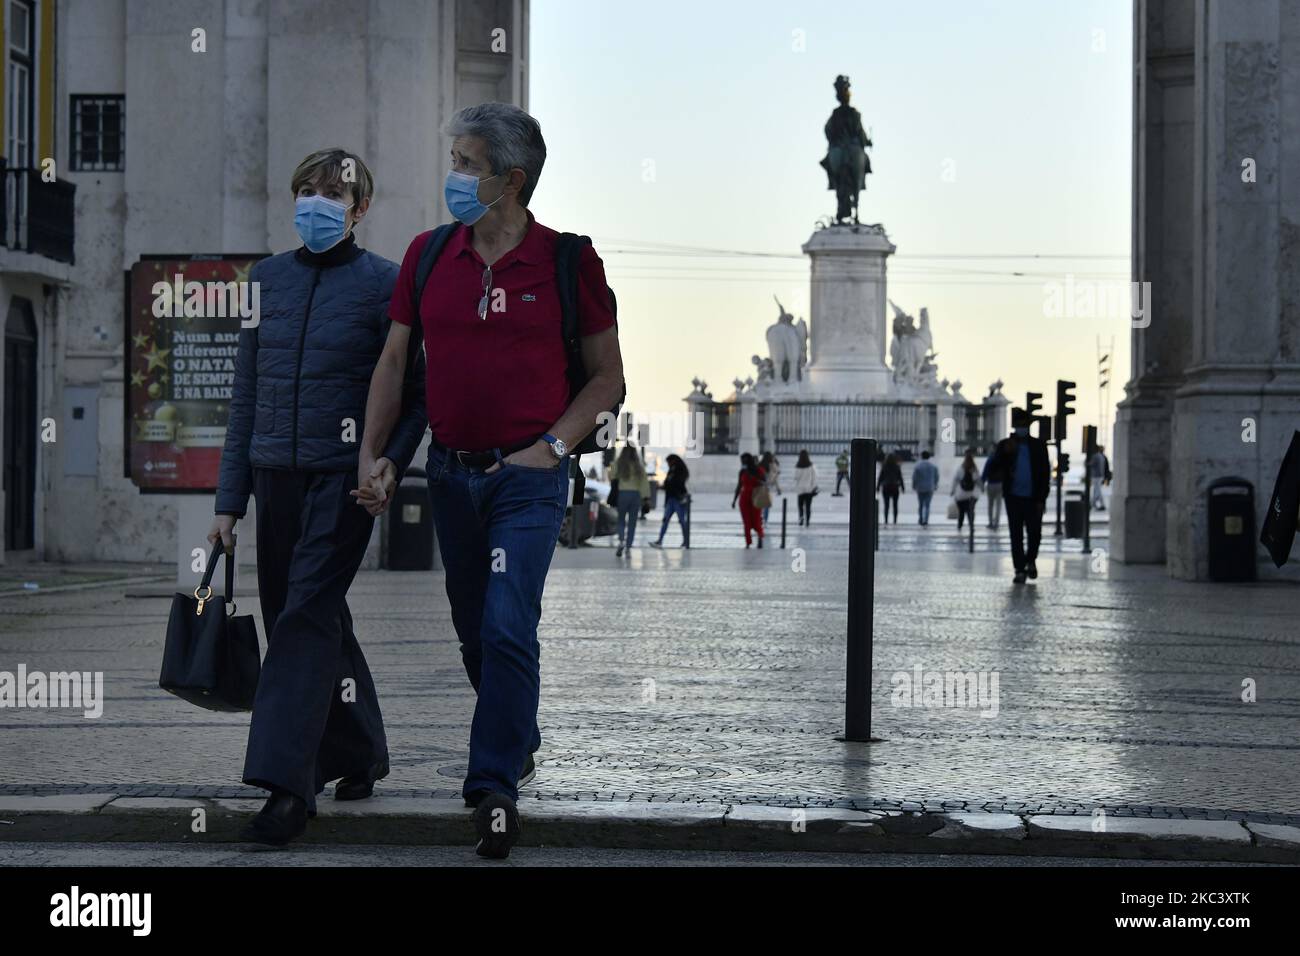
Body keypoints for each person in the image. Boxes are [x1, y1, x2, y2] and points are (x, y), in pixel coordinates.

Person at [357, 103, 624, 859]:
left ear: (510, 179)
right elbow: (392, 363)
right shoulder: (428, 255)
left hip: (527, 481)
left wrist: (552, 446)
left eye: (467, 163)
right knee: (476, 631)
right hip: (449, 473)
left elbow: (607, 379)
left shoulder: (569, 261)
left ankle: (493, 788)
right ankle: (519, 730)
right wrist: (371, 456)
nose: (454, 175)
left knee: (509, 623)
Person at [209, 148, 428, 846]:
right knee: (307, 617)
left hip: (343, 482)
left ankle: (285, 788)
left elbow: (417, 396)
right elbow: (244, 396)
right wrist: (227, 504)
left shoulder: (386, 287)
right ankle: (360, 749)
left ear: (360, 209)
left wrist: (388, 462)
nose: (317, 202)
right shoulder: (264, 280)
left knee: (302, 618)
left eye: (333, 193)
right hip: (274, 477)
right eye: (307, 190)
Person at [988, 410, 1052, 583]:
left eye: (1024, 425)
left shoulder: (1039, 445)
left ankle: (1031, 560)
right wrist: (1003, 453)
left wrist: (1042, 498)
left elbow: (1045, 473)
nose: (1021, 428)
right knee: (1015, 535)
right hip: (1013, 497)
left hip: (1033, 498)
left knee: (1035, 533)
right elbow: (994, 466)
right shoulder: (1005, 445)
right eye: (1019, 425)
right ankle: (1019, 569)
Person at [613, 445, 650, 557]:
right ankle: (628, 547)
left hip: (623, 494)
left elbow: (612, 475)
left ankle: (621, 541)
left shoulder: (619, 464)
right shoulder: (639, 466)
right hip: (635, 495)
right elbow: (644, 483)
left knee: (621, 520)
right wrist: (646, 497)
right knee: (632, 523)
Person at [650, 453, 690, 548]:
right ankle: (660, 540)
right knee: (667, 520)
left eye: (668, 462)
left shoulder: (679, 471)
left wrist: (665, 486)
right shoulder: (673, 470)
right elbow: (669, 484)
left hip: (677, 499)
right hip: (671, 499)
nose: (668, 464)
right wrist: (663, 486)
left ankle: (685, 541)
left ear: (673, 461)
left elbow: (674, 484)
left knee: (681, 521)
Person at [732, 452, 767, 548]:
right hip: (746, 498)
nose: (742, 463)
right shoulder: (743, 472)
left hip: (754, 496)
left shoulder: (758, 470)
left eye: (743, 461)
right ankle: (749, 541)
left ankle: (758, 537)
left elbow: (764, 481)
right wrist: (734, 500)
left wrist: (755, 479)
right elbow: (739, 486)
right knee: (747, 521)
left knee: (756, 520)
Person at [950, 451, 982, 532]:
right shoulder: (974, 469)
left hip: (961, 494)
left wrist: (953, 490)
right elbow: (978, 480)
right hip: (972, 495)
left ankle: (959, 526)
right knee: (970, 511)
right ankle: (971, 526)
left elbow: (956, 480)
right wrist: (982, 488)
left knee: (961, 511)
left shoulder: (961, 468)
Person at [912, 450, 939, 526]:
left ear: (921, 456)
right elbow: (936, 476)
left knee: (920, 504)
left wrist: (914, 485)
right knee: (927, 505)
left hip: (920, 487)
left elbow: (914, 477)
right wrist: (935, 484)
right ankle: (926, 520)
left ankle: (920, 518)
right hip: (930, 487)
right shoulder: (933, 466)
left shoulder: (918, 466)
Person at [793, 449, 818, 526]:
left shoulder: (798, 466)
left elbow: (795, 477)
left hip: (800, 489)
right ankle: (807, 521)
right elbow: (815, 477)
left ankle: (801, 519)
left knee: (800, 506)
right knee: (808, 506)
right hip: (809, 489)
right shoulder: (811, 466)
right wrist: (813, 486)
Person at [981, 448, 1004, 530]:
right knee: (998, 505)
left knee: (990, 505)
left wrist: (982, 484)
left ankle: (991, 522)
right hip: (1000, 484)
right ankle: (996, 523)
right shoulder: (1002, 460)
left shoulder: (990, 459)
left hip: (991, 484)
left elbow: (985, 472)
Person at [877, 452, 903, 524]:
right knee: (895, 505)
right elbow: (900, 478)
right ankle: (895, 520)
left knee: (886, 505)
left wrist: (878, 487)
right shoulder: (897, 467)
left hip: (886, 487)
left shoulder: (884, 467)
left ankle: (886, 520)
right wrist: (903, 487)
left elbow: (880, 477)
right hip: (895, 487)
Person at [760, 451, 782, 524]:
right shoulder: (773, 466)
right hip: (768, 487)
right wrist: (778, 489)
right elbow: (775, 478)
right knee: (766, 505)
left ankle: (760, 518)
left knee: (760, 504)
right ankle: (765, 520)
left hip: (760, 486)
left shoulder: (760, 464)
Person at [1089, 444, 1111, 510]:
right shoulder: (1102, 456)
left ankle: (1097, 503)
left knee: (1097, 490)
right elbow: (1106, 468)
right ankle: (1094, 503)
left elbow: (1090, 464)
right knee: (1097, 490)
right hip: (1101, 475)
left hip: (1096, 475)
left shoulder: (1095, 456)